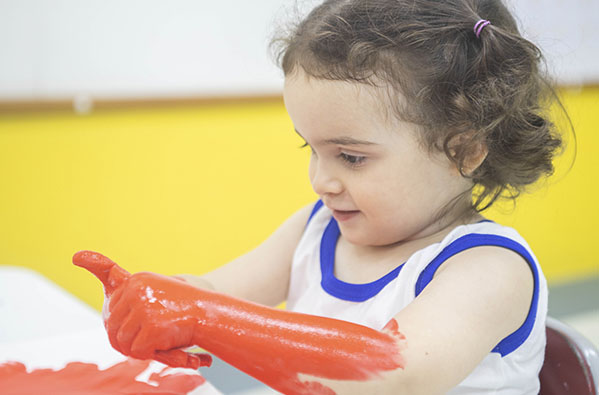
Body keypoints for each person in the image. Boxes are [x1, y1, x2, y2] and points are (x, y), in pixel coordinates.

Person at [73, 1, 568, 394]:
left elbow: (394, 372)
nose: (320, 180)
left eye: (350, 157)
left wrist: (202, 316)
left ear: (464, 149)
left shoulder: (488, 268)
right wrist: (152, 302)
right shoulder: (317, 230)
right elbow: (215, 292)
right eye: (310, 149)